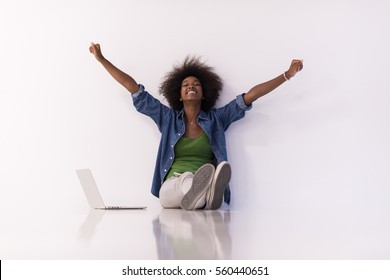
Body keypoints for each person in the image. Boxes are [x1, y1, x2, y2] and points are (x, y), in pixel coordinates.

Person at [89, 42, 303, 210]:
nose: (191, 86)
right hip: (173, 184)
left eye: (196, 84)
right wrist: (101, 59)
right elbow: (133, 88)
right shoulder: (167, 117)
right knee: (178, 189)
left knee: (193, 195)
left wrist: (287, 75)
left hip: (200, 181)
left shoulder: (217, 119)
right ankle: (206, 192)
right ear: (179, 95)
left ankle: (204, 192)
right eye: (185, 85)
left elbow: (250, 95)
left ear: (204, 92)